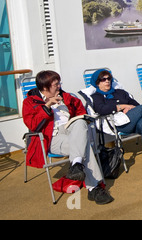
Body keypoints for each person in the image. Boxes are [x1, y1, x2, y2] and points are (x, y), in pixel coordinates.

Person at [22, 70, 114, 205]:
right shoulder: (30, 102)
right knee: (84, 146)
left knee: (80, 122)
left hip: (72, 131)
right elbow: (33, 125)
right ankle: (93, 187)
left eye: (59, 83)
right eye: (56, 84)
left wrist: (82, 118)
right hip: (52, 137)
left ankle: (76, 165)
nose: (59, 86)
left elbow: (80, 112)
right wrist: (47, 106)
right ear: (45, 87)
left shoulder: (65, 96)